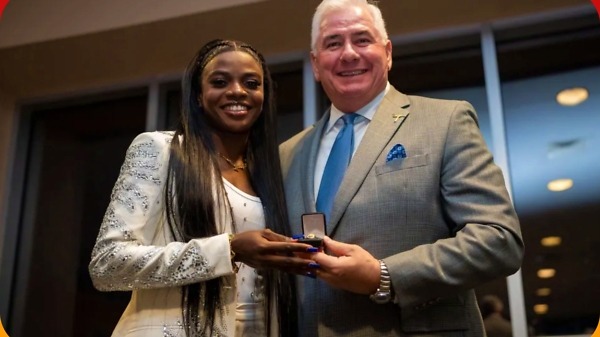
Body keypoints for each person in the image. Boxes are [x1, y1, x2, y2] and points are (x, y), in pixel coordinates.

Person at [279, 0, 525, 335]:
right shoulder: (288, 155)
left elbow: (499, 240)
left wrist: (384, 275)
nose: (348, 53)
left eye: (362, 39)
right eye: (333, 43)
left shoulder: (444, 122)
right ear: (316, 64)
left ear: (388, 52)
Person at [89, 39, 316, 337]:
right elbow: (107, 265)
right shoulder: (160, 150)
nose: (237, 91)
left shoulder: (270, 174)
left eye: (251, 83)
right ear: (198, 95)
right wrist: (229, 249)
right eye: (220, 81)